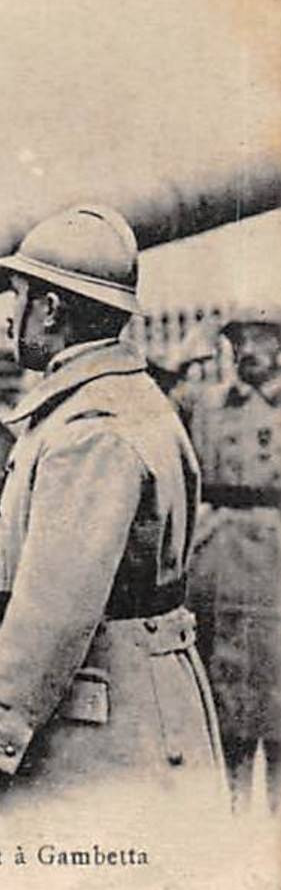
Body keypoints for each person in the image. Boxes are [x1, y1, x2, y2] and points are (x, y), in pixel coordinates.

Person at [0, 206, 224, 811]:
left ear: (50, 309)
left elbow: (56, 605)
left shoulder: (89, 430)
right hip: (135, 699)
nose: (8, 312)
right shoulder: (128, 399)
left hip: (103, 724)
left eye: (18, 293)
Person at [180, 299, 281, 812]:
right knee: (229, 694)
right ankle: (236, 811)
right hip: (219, 558)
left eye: (258, 336)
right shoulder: (210, 405)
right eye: (237, 339)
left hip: (278, 560)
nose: (245, 349)